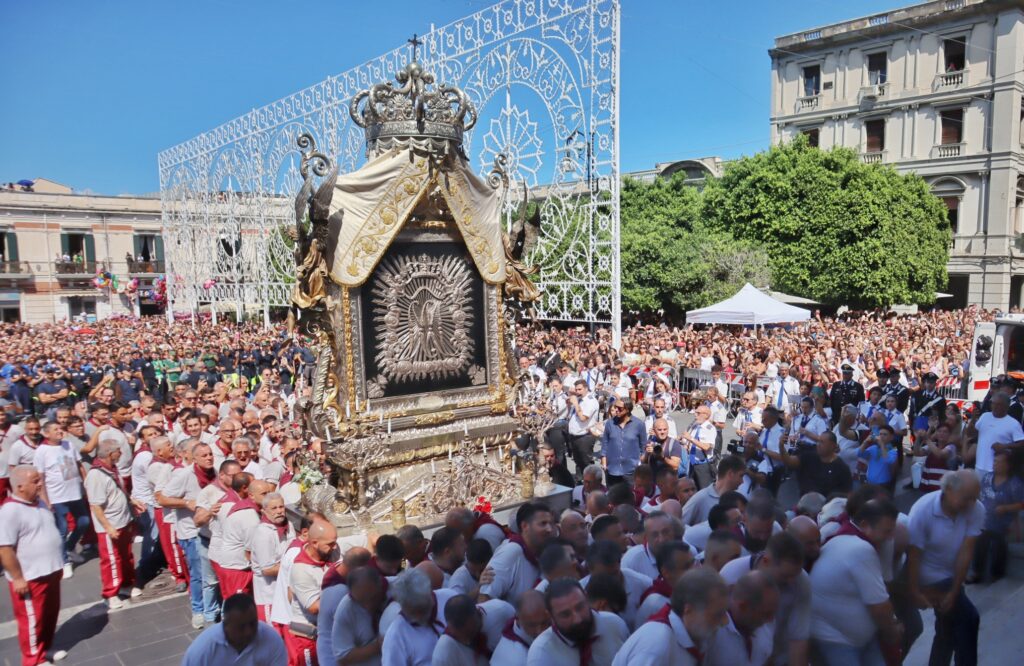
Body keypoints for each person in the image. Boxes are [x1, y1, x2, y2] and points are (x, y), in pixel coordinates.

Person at [810, 499, 902, 665]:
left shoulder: (845, 539)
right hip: (837, 640)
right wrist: (892, 632)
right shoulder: (861, 549)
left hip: (858, 638)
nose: (891, 537)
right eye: (887, 531)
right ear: (865, 525)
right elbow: (879, 605)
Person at [907, 470, 984, 666]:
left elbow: (966, 551)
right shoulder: (922, 510)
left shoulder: (976, 509)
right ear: (948, 490)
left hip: (952, 573)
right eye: (966, 498)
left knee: (947, 628)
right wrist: (915, 591)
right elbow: (913, 556)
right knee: (969, 618)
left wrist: (955, 590)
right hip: (928, 574)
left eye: (975, 498)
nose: (971, 504)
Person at [0, 466, 66, 666]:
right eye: (35, 481)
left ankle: (44, 649)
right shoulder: (10, 510)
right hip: (30, 577)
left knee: (49, 614)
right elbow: (5, 548)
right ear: (20, 487)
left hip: (50, 571)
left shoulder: (39, 504)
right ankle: (32, 659)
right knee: (32, 620)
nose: (40, 484)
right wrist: (18, 577)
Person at [720, 533, 811, 665]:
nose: (791, 582)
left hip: (780, 656)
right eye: (785, 576)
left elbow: (798, 637)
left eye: (795, 575)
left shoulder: (801, 580)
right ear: (766, 561)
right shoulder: (731, 574)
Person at [85, 440, 144, 609]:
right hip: (110, 525)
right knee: (111, 559)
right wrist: (108, 527)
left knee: (126, 556)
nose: (121, 454)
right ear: (111, 454)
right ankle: (110, 593)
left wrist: (132, 502)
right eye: (119, 451)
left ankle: (127, 584)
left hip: (123, 521)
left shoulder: (112, 469)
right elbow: (96, 505)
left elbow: (119, 490)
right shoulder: (96, 476)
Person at [526, 578, 629, 666]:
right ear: (550, 616)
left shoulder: (614, 625)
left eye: (580, 607)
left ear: (586, 597)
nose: (577, 619)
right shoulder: (541, 653)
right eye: (565, 614)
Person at [33, 420, 90, 578]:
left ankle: (69, 548)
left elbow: (78, 465)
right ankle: (65, 561)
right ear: (46, 433)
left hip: (75, 492)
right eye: (55, 429)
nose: (60, 431)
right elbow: (40, 477)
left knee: (84, 521)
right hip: (56, 496)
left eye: (60, 428)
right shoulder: (41, 451)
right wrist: (45, 499)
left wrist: (85, 483)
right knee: (62, 529)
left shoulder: (68, 445)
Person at [479, 502, 555, 604]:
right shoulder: (510, 552)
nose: (549, 529)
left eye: (551, 524)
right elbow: (484, 600)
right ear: (525, 526)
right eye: (543, 524)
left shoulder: (546, 550)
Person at [182, 592, 287, 665]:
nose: (248, 631)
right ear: (226, 624)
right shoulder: (202, 650)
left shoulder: (271, 639)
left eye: (252, 623)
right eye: (241, 627)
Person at [286, 519, 338, 666]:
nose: (335, 548)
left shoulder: (330, 550)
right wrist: (345, 595)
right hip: (307, 638)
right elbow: (314, 607)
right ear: (314, 543)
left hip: (324, 633)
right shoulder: (301, 569)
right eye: (330, 544)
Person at [382, 568, 458, 666]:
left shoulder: (450, 598)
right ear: (402, 605)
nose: (419, 615)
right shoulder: (396, 635)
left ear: (430, 592)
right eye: (414, 611)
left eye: (423, 608)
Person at [704, 570, 778, 666]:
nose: (771, 619)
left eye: (773, 612)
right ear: (743, 606)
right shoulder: (712, 632)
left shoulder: (766, 624)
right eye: (766, 614)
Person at [972, 450, 1024, 582]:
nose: (995, 464)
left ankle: (993, 573)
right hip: (984, 518)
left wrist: (1006, 508)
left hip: (1004, 521)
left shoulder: (1014, 483)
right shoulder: (987, 478)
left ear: (1008, 465)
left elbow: (1022, 504)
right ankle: (977, 572)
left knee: (992, 537)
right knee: (979, 535)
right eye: (994, 461)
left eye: (999, 462)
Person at [250, 491, 295, 621]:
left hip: (285, 590)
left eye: (281, 507)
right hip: (269, 595)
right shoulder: (263, 534)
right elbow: (267, 569)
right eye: (274, 508)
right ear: (264, 511)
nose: (279, 511)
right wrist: (295, 565)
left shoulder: (289, 525)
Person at [330, 565, 387, 666]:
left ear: (380, 584)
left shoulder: (397, 588)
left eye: (373, 598)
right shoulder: (346, 609)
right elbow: (342, 657)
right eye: (361, 601)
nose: (368, 606)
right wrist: (378, 646)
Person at [768, 431, 852, 498]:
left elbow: (847, 495)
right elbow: (789, 462)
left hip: (826, 512)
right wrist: (781, 447)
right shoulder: (809, 456)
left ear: (832, 446)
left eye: (822, 442)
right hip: (804, 507)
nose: (818, 445)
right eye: (818, 441)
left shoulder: (842, 468)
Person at [965, 392, 1024, 479]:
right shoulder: (985, 416)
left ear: (1006, 406)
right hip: (979, 467)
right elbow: (970, 434)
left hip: (997, 471)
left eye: (999, 404)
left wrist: (1005, 446)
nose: (995, 406)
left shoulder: (1013, 424)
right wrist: (973, 420)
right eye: (993, 403)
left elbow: (1022, 444)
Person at [635, 541, 696, 622]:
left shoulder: (694, 590)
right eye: (686, 567)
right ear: (666, 572)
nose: (694, 570)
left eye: (693, 563)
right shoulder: (656, 603)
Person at [681, 455, 746, 526]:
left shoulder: (737, 500)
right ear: (731, 474)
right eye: (741, 476)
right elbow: (680, 525)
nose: (742, 481)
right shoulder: (701, 498)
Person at [490, 589, 550, 666]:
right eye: (532, 625)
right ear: (517, 619)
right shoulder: (517, 660)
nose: (540, 631)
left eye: (544, 622)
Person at [431, 594, 492, 665]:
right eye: (459, 635)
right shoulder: (443, 653)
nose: (464, 639)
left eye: (468, 631)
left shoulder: (496, 614)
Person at [599, 397, 645, 486]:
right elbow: (605, 445)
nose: (616, 410)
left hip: (631, 471)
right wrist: (604, 464)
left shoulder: (639, 424)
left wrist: (639, 464)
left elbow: (643, 447)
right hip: (612, 470)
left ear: (627, 409)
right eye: (615, 407)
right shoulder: (610, 423)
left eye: (619, 408)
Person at [621, 510, 675, 580]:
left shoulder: (684, 553)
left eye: (665, 532)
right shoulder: (633, 559)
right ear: (646, 537)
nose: (661, 539)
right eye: (655, 535)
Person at [566, 379, 600, 476]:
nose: (577, 392)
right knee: (578, 461)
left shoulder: (590, 401)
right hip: (574, 435)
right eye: (576, 390)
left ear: (586, 388)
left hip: (585, 436)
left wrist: (576, 404)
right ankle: (580, 481)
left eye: (580, 389)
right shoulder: (579, 399)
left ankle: (593, 482)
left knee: (586, 462)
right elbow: (570, 416)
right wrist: (569, 404)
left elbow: (583, 418)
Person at [679, 405, 717, 489]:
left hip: (702, 464)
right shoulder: (695, 425)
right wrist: (684, 442)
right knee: (691, 488)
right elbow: (687, 440)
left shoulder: (710, 429)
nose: (695, 415)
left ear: (706, 415)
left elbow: (707, 447)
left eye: (698, 413)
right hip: (691, 462)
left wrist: (690, 438)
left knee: (704, 489)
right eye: (695, 412)